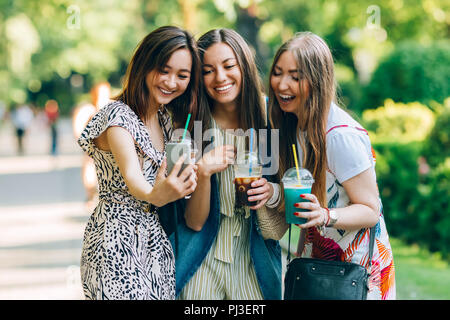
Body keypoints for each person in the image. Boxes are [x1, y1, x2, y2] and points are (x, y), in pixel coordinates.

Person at [269, 32, 396, 299]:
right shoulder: (296, 126)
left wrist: (326, 216)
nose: (282, 84)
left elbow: (371, 210)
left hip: (356, 274)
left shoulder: (340, 136)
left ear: (317, 80)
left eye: (295, 76)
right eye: (278, 73)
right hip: (319, 266)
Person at [77, 26, 201, 300]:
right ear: (144, 64)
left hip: (154, 241)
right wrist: (157, 195)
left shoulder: (165, 120)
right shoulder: (117, 116)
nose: (171, 82)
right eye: (163, 70)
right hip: (116, 240)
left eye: (182, 75)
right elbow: (135, 181)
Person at [172, 28, 283, 300]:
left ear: (243, 65)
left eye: (228, 65)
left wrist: (272, 192)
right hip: (202, 257)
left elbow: (292, 186)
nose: (220, 77)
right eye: (208, 70)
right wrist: (203, 171)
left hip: (254, 256)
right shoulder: (190, 128)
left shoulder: (271, 119)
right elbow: (194, 223)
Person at [72, 82, 112, 209]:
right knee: (89, 170)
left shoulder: (113, 107)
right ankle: (91, 195)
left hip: (111, 150)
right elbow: (77, 128)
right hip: (92, 149)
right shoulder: (87, 110)